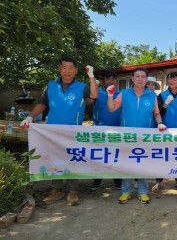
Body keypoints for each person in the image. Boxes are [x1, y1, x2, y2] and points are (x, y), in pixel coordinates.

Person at [20, 57, 99, 206]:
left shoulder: (82, 87)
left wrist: (91, 76)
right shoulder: (51, 86)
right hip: (53, 131)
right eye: (64, 68)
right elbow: (43, 104)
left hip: (73, 131)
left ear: (76, 70)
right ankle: (56, 189)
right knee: (54, 159)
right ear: (59, 69)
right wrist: (30, 117)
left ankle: (72, 190)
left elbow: (94, 95)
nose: (67, 71)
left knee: (72, 159)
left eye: (71, 68)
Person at [107, 67, 167, 204]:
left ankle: (143, 192)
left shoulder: (152, 96)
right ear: (132, 78)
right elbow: (111, 108)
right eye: (137, 76)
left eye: (143, 77)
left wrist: (160, 123)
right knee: (127, 164)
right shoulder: (124, 94)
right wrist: (110, 96)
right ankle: (126, 192)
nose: (140, 79)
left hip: (144, 137)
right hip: (127, 137)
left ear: (146, 79)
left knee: (143, 164)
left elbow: (156, 113)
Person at [152, 71, 177, 193]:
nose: (171, 81)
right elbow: (157, 114)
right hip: (164, 132)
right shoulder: (161, 95)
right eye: (169, 79)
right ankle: (158, 181)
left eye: (174, 79)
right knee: (163, 156)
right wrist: (165, 104)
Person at [88, 70, 122, 191]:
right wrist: (94, 85)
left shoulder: (120, 94)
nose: (111, 81)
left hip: (117, 129)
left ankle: (118, 180)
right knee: (99, 156)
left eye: (113, 79)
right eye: (108, 79)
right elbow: (88, 101)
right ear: (103, 81)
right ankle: (97, 180)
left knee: (115, 156)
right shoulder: (97, 93)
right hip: (99, 129)